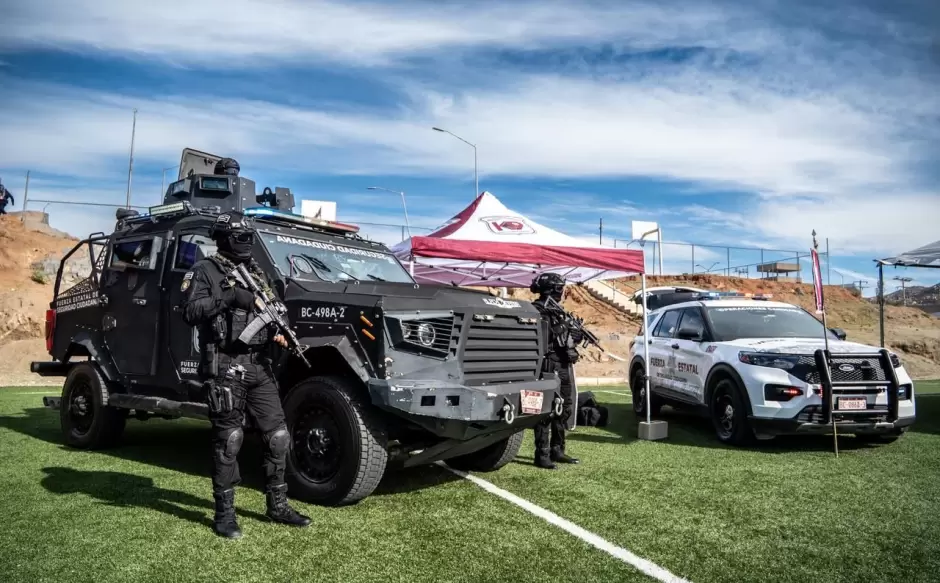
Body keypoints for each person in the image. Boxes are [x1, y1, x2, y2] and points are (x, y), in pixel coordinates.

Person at [180, 208, 311, 539]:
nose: (247, 242)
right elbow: (190, 311)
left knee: (278, 437)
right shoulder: (205, 270)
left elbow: (272, 308)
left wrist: (280, 332)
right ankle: (224, 514)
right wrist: (230, 297)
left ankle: (277, 505)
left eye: (249, 237)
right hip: (225, 365)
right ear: (224, 239)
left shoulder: (256, 270)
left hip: (259, 365)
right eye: (241, 237)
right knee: (230, 439)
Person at [530, 272, 581, 469]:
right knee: (547, 409)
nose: (562, 292)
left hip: (562, 363)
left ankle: (557, 449)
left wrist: (574, 334)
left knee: (564, 407)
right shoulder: (537, 309)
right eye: (559, 288)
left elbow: (564, 339)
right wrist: (563, 326)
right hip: (548, 363)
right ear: (550, 289)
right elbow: (544, 337)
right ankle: (542, 454)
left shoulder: (558, 310)